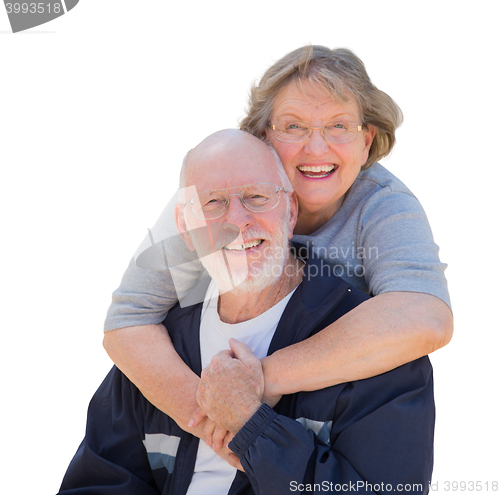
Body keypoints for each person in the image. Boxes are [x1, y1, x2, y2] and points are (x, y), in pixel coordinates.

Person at [102, 45, 452, 447]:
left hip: (327, 420)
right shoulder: (210, 196)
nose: (316, 149)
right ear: (262, 136)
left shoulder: (384, 205)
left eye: (339, 126)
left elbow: (427, 317)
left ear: (367, 141)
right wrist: (210, 421)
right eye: (293, 126)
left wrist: (259, 380)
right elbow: (128, 319)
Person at [59, 130, 434, 494]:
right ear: (185, 230)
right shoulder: (158, 350)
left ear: (290, 212)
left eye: (256, 197)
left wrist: (254, 429)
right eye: (213, 203)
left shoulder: (375, 351)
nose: (237, 221)